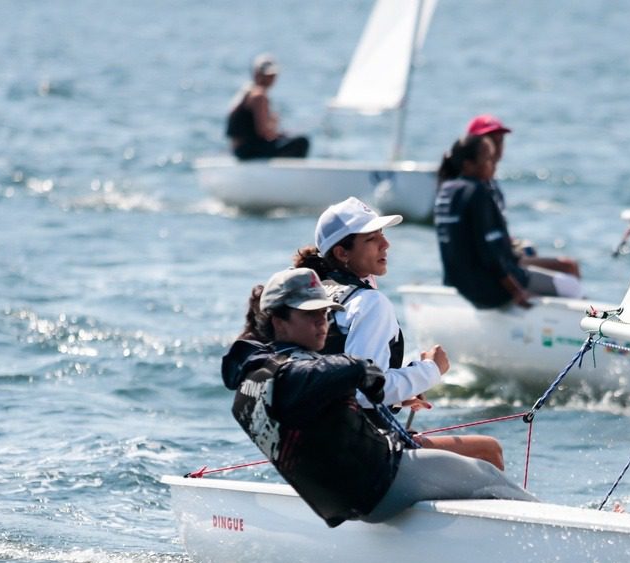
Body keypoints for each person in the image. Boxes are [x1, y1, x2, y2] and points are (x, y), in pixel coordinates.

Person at [223, 268, 536, 527]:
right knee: (488, 476)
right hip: (384, 483)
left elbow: (315, 412)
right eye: (310, 315)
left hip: (345, 499)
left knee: (479, 458)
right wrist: (359, 368)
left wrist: (387, 394)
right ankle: (551, 539)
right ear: (279, 321)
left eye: (326, 313)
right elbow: (323, 378)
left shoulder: (255, 378)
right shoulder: (293, 376)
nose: (323, 323)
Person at [292, 197, 507, 469]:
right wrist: (431, 370)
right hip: (361, 449)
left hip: (319, 445)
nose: (386, 244)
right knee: (489, 451)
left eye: (382, 234)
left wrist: (400, 395)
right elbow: (365, 391)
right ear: (342, 253)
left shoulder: (317, 294)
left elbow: (339, 383)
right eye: (372, 239)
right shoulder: (369, 303)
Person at [434, 135, 582, 310]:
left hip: (462, 287)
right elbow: (492, 255)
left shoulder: (445, 190)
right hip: (490, 291)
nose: (494, 163)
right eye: (488, 158)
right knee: (572, 286)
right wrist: (517, 292)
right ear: (468, 165)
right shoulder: (478, 191)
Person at [225, 53, 311, 160]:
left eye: (272, 75)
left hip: (240, 150)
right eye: (267, 75)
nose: (270, 79)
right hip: (248, 150)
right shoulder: (259, 95)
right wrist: (276, 129)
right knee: (302, 142)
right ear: (256, 74)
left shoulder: (247, 92)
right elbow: (263, 132)